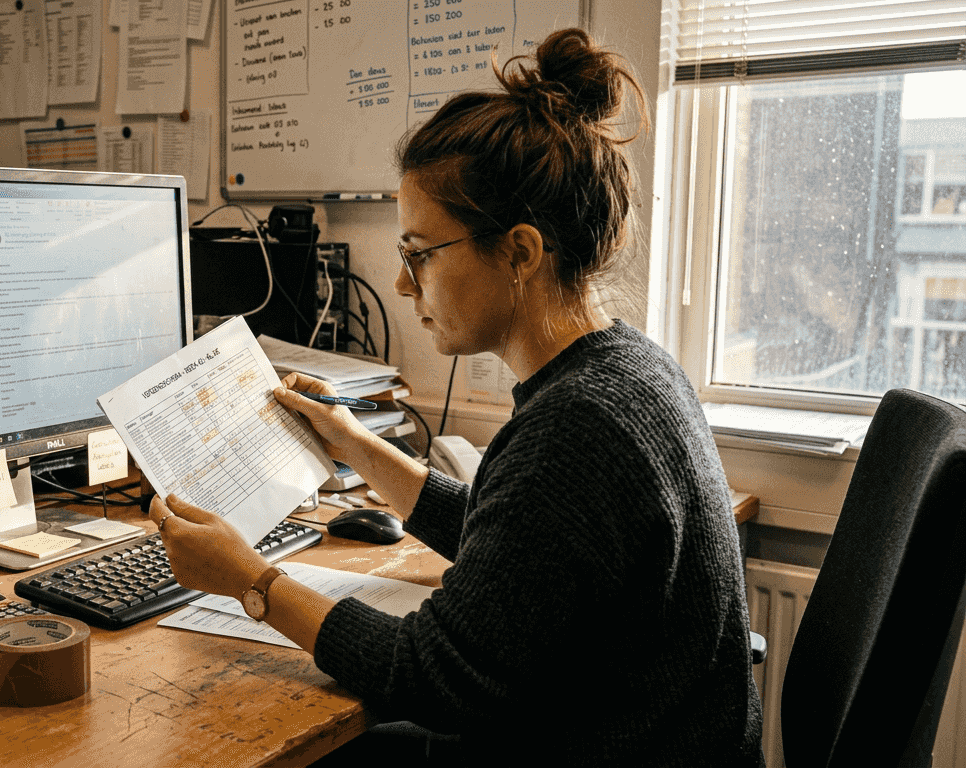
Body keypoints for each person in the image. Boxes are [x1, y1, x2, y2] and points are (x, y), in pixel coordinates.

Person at [149, 27, 764, 766]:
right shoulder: (628, 367)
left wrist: (249, 580)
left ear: (519, 252)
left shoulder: (575, 425)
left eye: (419, 254)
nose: (405, 284)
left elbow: (432, 675)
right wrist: (355, 443)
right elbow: (518, 545)